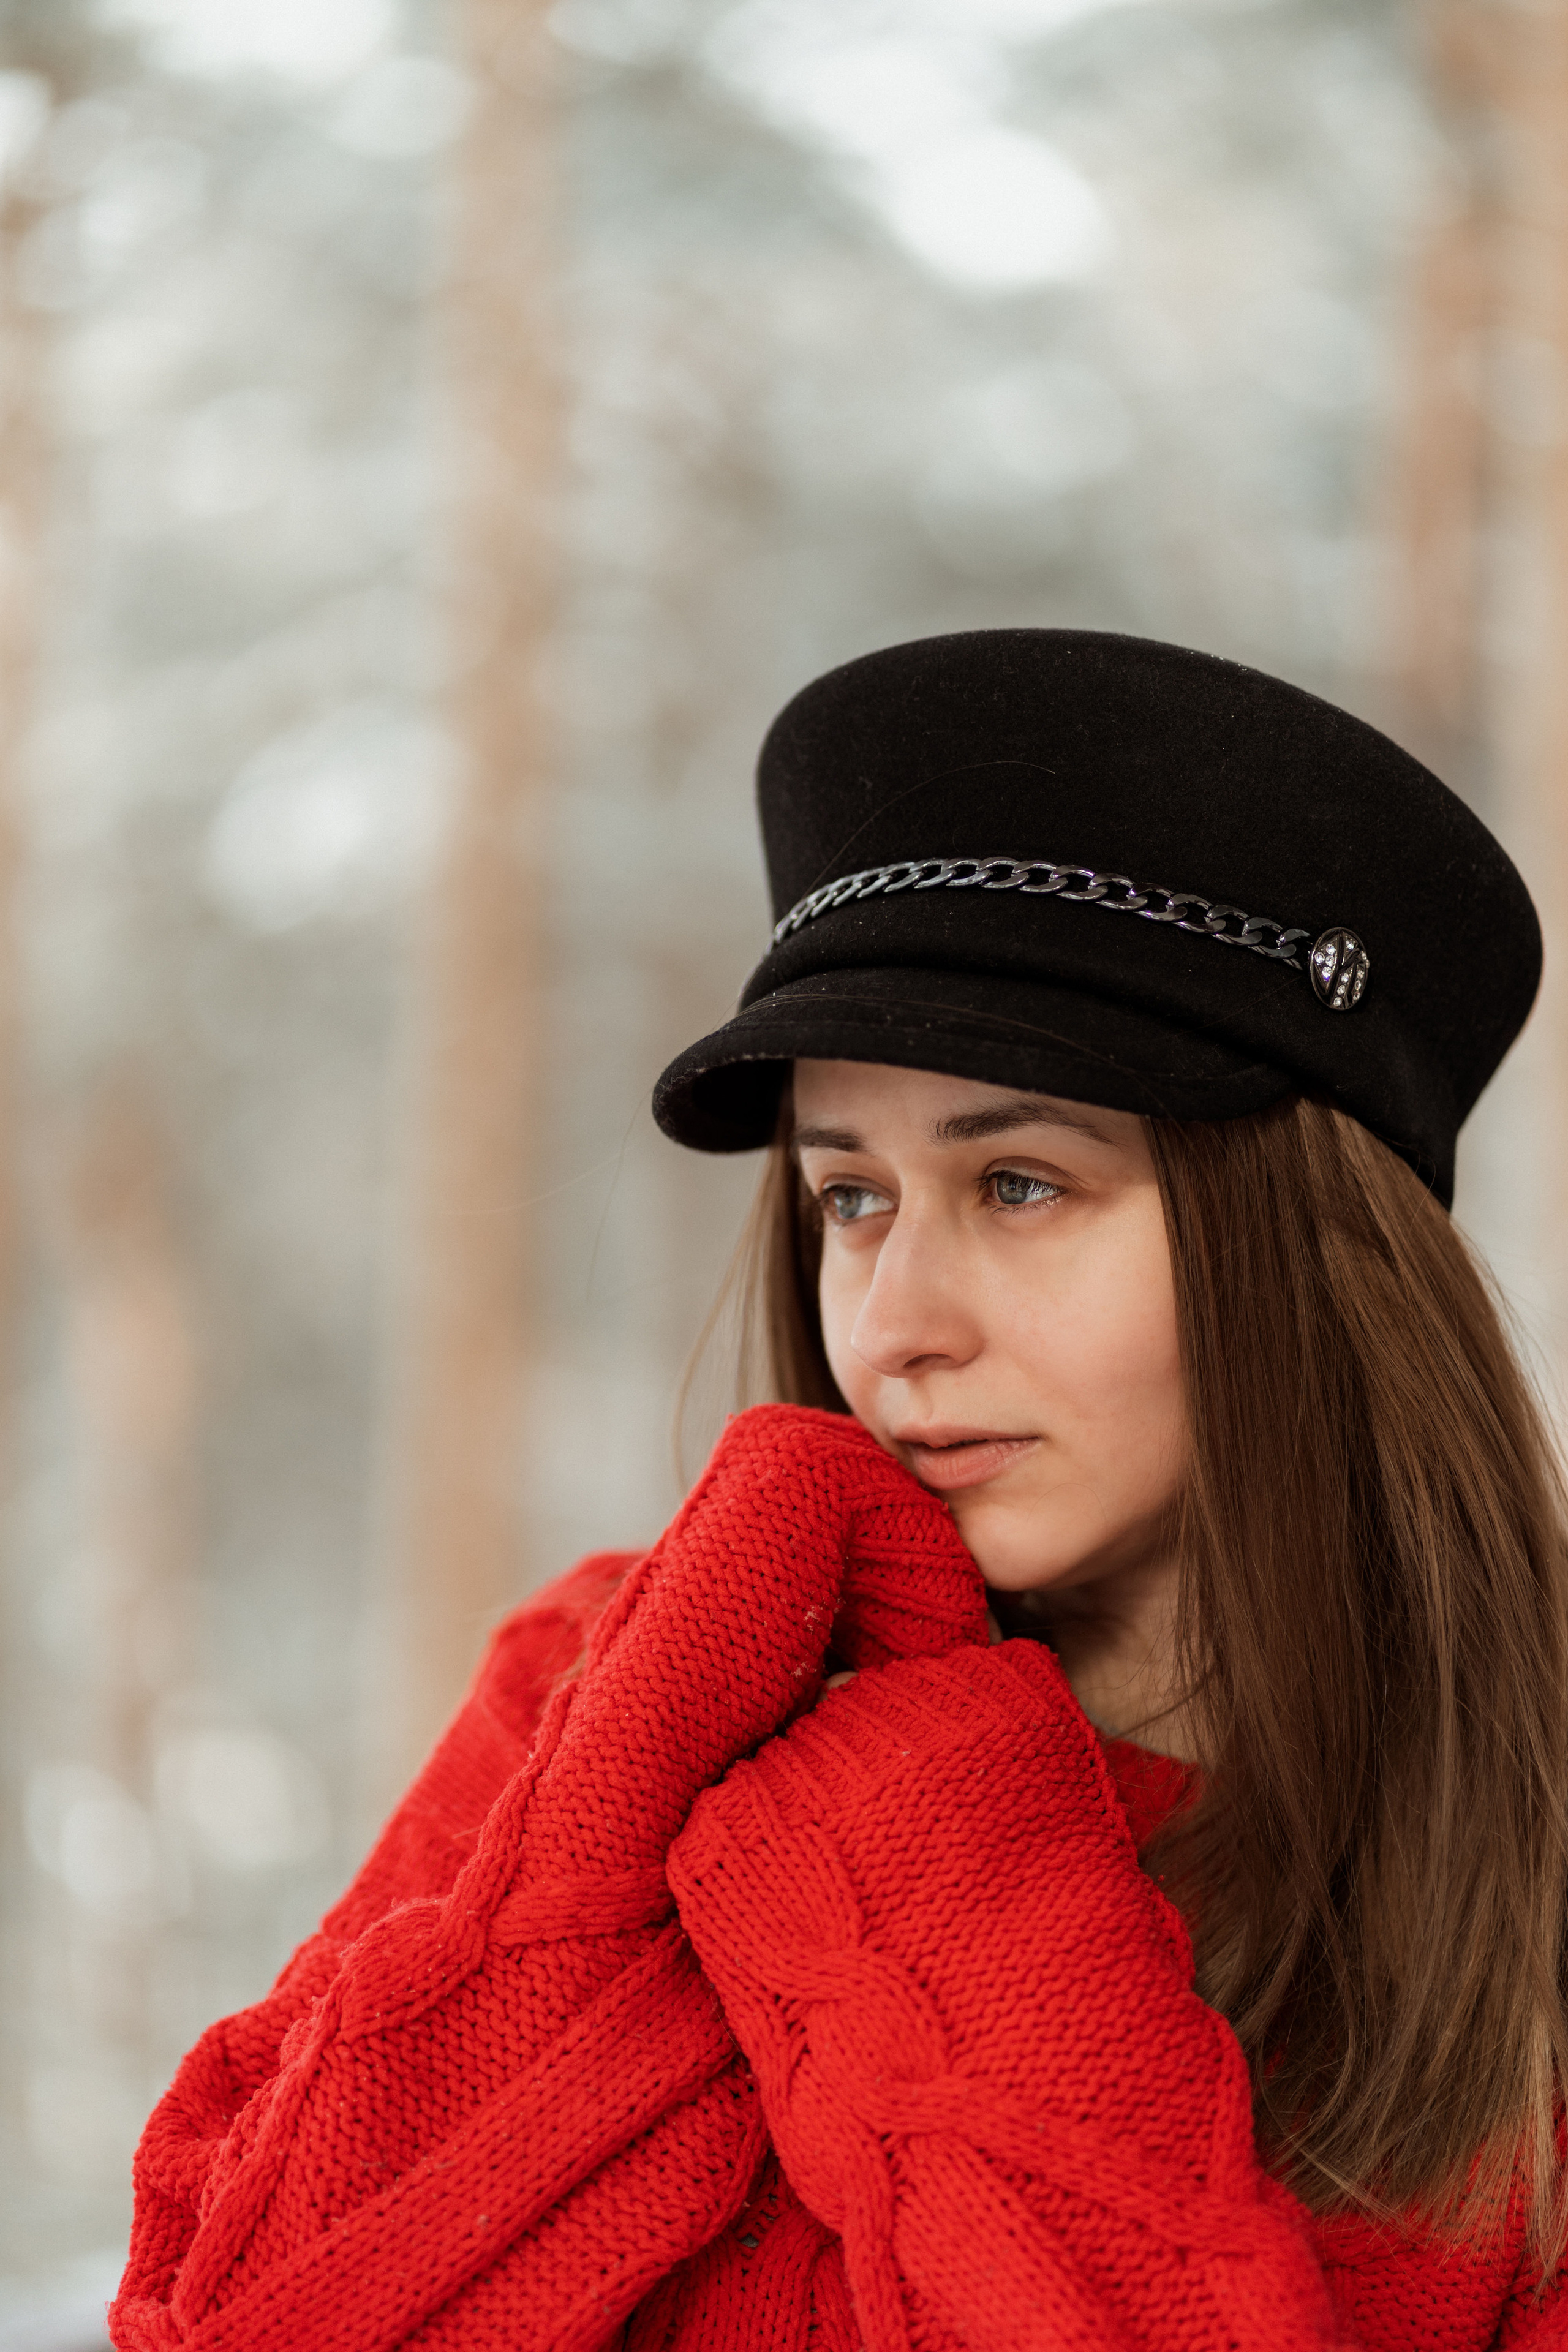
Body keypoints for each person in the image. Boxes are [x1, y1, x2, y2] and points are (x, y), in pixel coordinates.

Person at [110, 630, 1567, 2351]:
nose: (893, 1327)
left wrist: (936, 1855)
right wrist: (621, 1816)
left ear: (1316, 1248)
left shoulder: (1520, 1863)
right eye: (852, 1199)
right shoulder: (613, 1686)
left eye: (1021, 1183)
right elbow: (234, 2317)